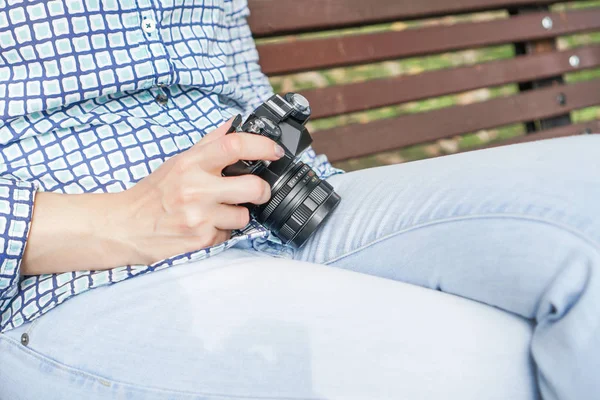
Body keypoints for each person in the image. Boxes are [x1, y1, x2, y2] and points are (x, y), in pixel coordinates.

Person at [0, 1, 598, 399]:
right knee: (486, 369)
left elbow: (224, 68)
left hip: (283, 204)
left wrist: (276, 158)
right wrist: (112, 220)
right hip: (73, 276)